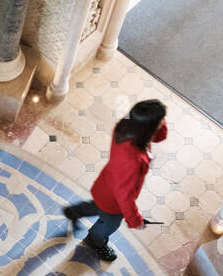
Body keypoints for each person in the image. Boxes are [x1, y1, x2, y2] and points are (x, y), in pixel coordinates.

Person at [63, 99, 168, 263]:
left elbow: (160, 137)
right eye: (160, 122)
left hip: (105, 186)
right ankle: (94, 242)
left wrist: (156, 119)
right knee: (109, 224)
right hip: (114, 200)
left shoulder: (125, 127)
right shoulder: (132, 159)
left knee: (98, 206)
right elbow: (124, 194)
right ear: (148, 129)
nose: (163, 123)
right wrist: (135, 220)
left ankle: (74, 211)